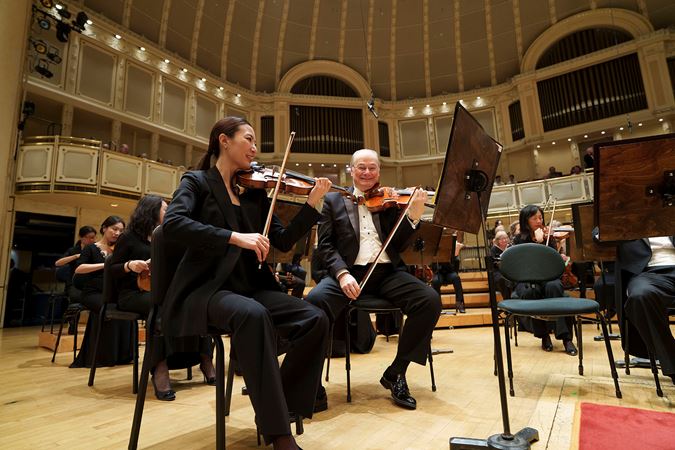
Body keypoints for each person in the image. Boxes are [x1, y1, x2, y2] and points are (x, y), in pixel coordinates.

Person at [161, 116, 331, 450]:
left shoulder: (254, 196)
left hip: (252, 287)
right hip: (207, 289)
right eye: (249, 140)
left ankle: (280, 404)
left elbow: (281, 242)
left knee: (316, 318)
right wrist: (234, 237)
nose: (255, 148)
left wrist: (311, 205)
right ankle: (279, 433)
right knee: (252, 315)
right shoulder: (196, 182)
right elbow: (174, 225)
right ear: (224, 140)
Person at [306, 149, 442, 410]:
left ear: (379, 171)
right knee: (314, 302)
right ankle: (312, 383)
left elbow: (400, 243)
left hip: (387, 274)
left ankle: (396, 373)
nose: (367, 173)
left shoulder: (389, 201)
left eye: (372, 168)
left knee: (429, 300)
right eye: (361, 167)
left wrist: (413, 216)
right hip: (347, 273)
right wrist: (342, 273)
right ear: (351, 170)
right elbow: (325, 246)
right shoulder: (333, 201)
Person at [108, 195, 215, 400]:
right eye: (166, 209)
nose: (169, 212)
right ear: (151, 211)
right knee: (161, 307)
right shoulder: (128, 237)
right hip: (132, 294)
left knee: (193, 304)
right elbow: (111, 269)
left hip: (162, 292)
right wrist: (130, 265)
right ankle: (160, 368)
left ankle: (205, 359)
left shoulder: (168, 237)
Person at [511, 205, 577, 356]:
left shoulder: (549, 237)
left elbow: (552, 262)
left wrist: (547, 245)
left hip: (548, 277)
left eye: (540, 218)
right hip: (527, 279)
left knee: (554, 287)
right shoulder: (519, 239)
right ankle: (544, 335)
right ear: (526, 221)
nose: (539, 221)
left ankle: (566, 338)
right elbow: (522, 263)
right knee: (531, 290)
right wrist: (537, 243)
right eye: (534, 218)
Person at [71, 216, 133, 368]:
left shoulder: (119, 249)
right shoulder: (92, 248)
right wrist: (104, 264)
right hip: (93, 293)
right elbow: (79, 269)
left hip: (113, 292)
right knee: (107, 310)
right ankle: (101, 357)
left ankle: (123, 355)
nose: (117, 233)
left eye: (120, 230)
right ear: (104, 228)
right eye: (114, 229)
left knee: (128, 307)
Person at [615, 236, 675, 385]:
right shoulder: (625, 214)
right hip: (646, 272)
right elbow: (599, 231)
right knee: (639, 296)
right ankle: (673, 364)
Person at [55, 225, 97, 297]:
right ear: (81, 237)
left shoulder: (95, 250)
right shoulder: (73, 250)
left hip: (90, 283)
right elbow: (58, 263)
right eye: (88, 237)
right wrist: (76, 256)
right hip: (74, 284)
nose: (92, 240)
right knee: (78, 297)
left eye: (93, 237)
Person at [431, 231, 465, 313]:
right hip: (439, 273)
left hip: (450, 272)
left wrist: (454, 256)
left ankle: (459, 303)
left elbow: (455, 268)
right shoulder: (435, 249)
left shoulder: (451, 249)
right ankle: (438, 306)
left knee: (456, 278)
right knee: (435, 281)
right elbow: (433, 266)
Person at [490, 230, 512, 300]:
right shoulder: (494, 249)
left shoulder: (511, 247)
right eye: (502, 239)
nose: (504, 240)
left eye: (506, 238)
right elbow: (492, 263)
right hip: (498, 271)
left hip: (510, 270)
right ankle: (507, 299)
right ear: (497, 240)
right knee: (501, 279)